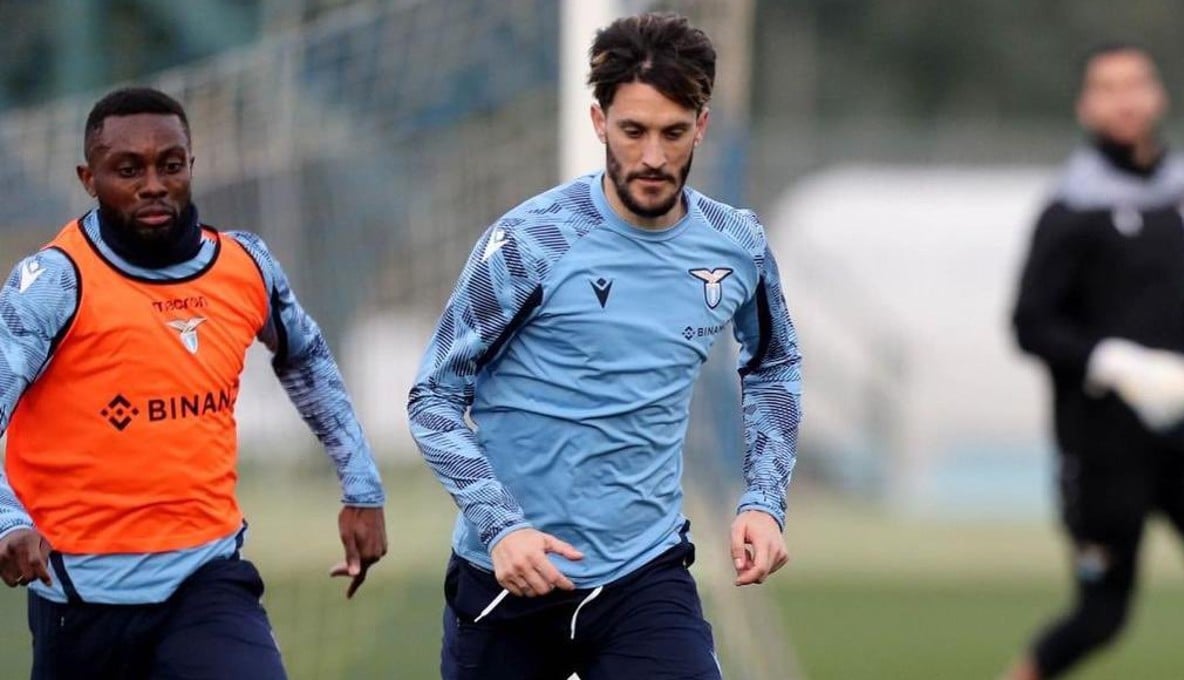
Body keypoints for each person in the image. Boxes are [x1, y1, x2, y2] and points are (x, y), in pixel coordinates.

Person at [408, 12, 801, 680]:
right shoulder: (530, 241)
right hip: (508, 579)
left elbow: (773, 364)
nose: (653, 157)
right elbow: (433, 397)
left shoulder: (737, 246)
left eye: (673, 132)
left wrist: (764, 500)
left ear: (702, 127)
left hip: (643, 576)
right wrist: (501, 525)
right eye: (633, 131)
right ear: (599, 123)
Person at [0, 87, 388, 679]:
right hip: (79, 595)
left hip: (206, 580)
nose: (153, 185)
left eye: (171, 165)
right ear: (88, 178)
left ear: (191, 166)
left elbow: (306, 358)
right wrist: (8, 520)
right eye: (128, 170)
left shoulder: (244, 265)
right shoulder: (54, 283)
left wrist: (361, 485)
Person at [1007, 44, 1184, 679]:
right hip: (1103, 448)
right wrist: (1114, 362)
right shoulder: (1072, 208)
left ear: (1158, 95)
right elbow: (1030, 324)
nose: (1125, 100)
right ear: (1086, 106)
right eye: (1107, 88)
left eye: (1135, 84)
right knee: (1101, 616)